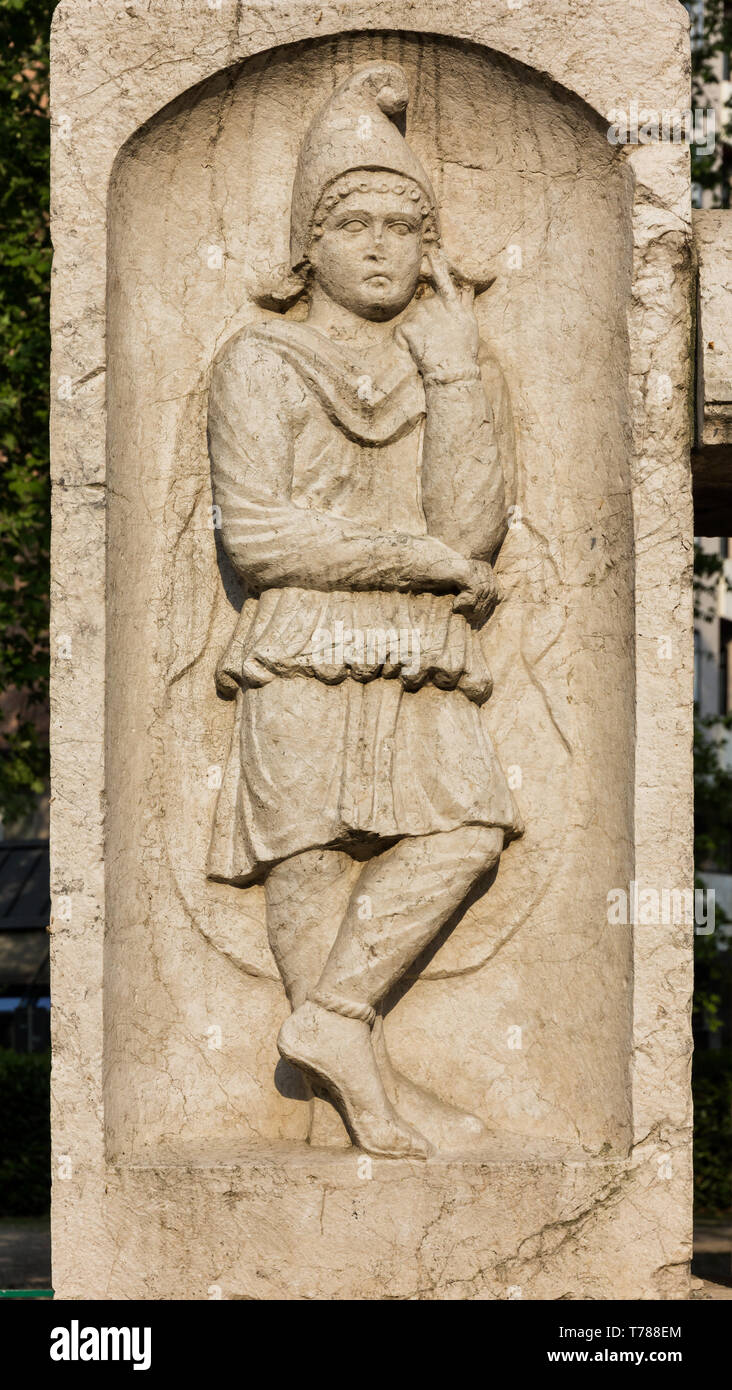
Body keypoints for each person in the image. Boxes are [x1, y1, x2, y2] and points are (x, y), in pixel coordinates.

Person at [207, 62, 521, 1158]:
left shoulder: (452, 359)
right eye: (356, 224)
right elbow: (258, 532)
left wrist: (455, 376)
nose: (383, 246)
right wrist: (416, 556)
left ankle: (335, 1023)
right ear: (310, 244)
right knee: (310, 851)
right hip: (298, 644)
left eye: (404, 226)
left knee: (468, 826)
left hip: (417, 652)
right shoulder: (258, 359)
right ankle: (366, 1095)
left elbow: (473, 529)